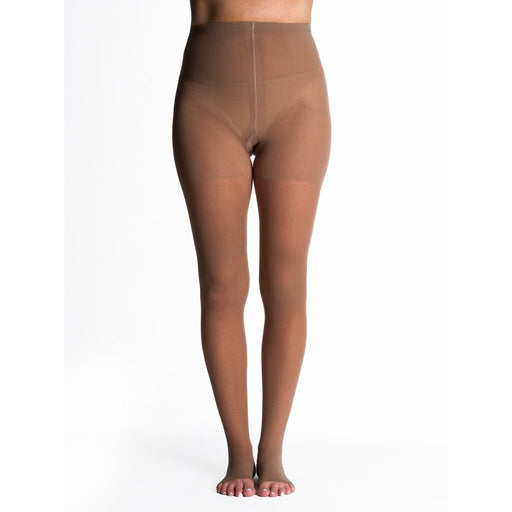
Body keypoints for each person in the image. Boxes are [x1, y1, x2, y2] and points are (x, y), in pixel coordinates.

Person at [172, 0, 331, 498]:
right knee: (221, 283)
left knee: (285, 282)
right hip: (208, 99)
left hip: (297, 97)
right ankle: (239, 451)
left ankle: (273, 450)